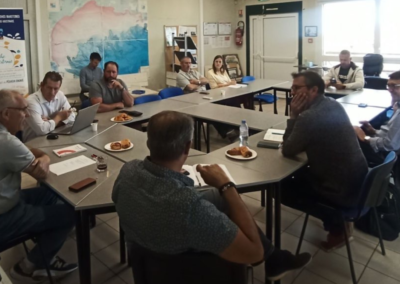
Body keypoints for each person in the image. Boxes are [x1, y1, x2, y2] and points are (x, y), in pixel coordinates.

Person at [112, 111, 312, 281]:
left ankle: (275, 258)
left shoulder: (127, 172)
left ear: (148, 142)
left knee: (215, 197)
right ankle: (274, 258)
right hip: (192, 272)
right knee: (222, 194)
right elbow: (254, 252)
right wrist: (226, 185)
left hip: (146, 268)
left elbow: (121, 199)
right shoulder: (190, 208)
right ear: (187, 147)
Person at [281, 71, 368, 251]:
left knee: (281, 189)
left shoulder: (308, 116)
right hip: (360, 184)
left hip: (341, 191)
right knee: (301, 174)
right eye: (292, 87)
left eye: (297, 88)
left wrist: (293, 115)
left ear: (314, 90)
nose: (292, 92)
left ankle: (337, 227)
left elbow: (288, 149)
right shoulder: (333, 104)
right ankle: (337, 221)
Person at [0, 89, 77, 282]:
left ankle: (45, 239)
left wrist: (39, 155)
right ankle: (28, 266)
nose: (26, 115)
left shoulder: (7, 137)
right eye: (22, 110)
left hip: (9, 199)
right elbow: (39, 171)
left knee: (52, 194)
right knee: (72, 212)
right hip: (5, 215)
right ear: (6, 114)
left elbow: (23, 147)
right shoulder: (5, 141)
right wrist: (44, 157)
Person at [354, 71, 400, 164]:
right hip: (391, 149)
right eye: (389, 86)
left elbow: (390, 145)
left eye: (395, 86)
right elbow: (392, 135)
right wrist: (374, 132)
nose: (390, 90)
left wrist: (365, 138)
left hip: (388, 155)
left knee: (347, 139)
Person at [23, 72, 75, 142]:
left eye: (56, 89)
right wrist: (59, 117)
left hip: (56, 136)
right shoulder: (31, 101)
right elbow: (42, 130)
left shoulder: (60, 95)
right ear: (42, 85)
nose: (52, 92)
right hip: (34, 142)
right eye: (49, 88)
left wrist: (52, 120)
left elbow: (72, 117)